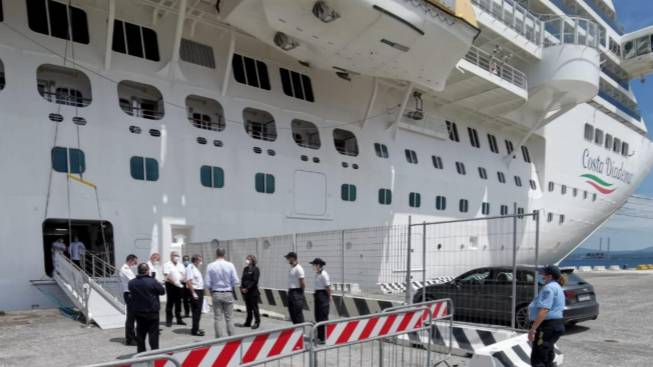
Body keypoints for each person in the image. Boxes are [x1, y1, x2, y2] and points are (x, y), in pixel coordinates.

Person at [528, 265, 566, 367]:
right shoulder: (557, 286)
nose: (541, 275)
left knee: (538, 358)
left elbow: (544, 309)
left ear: (549, 276)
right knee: (547, 355)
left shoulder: (548, 288)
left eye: (543, 274)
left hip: (546, 326)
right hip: (555, 325)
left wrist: (533, 329)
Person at [128, 263, 165, 353]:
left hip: (139, 312)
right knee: (153, 334)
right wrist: (157, 282)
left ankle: (141, 354)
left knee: (140, 334)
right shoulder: (152, 281)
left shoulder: (131, 283)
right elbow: (162, 291)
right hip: (152, 312)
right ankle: (154, 353)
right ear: (147, 271)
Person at [205, 247, 239, 338]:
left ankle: (219, 340)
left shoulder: (210, 265)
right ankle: (232, 338)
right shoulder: (230, 265)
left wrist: (212, 290)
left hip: (216, 293)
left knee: (218, 318)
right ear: (224, 254)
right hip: (228, 292)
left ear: (216, 254)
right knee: (229, 318)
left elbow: (207, 283)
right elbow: (236, 280)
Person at [235, 255, 260, 329]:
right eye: (247, 259)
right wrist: (242, 288)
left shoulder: (256, 269)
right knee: (248, 308)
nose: (247, 260)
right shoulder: (245, 269)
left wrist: (248, 288)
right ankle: (248, 322)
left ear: (252, 260)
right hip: (246, 292)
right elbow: (243, 279)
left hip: (253, 292)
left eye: (249, 259)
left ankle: (257, 322)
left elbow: (255, 281)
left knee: (254, 308)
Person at [310, 258, 331, 343]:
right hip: (318, 295)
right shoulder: (317, 274)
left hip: (323, 295)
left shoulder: (324, 274)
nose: (313, 266)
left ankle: (323, 338)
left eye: (314, 265)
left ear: (318, 265)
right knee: (317, 316)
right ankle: (319, 336)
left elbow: (328, 287)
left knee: (323, 316)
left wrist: (329, 297)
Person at [163, 251, 187, 327]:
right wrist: (174, 282)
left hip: (179, 285)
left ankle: (179, 319)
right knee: (170, 302)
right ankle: (169, 320)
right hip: (170, 285)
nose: (176, 257)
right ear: (171, 256)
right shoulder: (167, 265)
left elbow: (183, 274)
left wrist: (181, 280)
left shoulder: (181, 265)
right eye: (174, 255)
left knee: (179, 303)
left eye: (177, 255)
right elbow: (167, 276)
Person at [119, 254, 139, 346]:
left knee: (133, 317)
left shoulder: (127, 268)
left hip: (131, 294)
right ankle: (130, 339)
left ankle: (133, 337)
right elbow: (134, 281)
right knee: (131, 318)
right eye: (135, 261)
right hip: (129, 294)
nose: (136, 263)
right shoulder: (125, 269)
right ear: (130, 260)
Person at [185, 254, 205, 336]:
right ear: (196, 260)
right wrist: (193, 293)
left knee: (198, 311)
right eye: (200, 260)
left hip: (199, 291)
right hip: (196, 291)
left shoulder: (195, 268)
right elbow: (189, 281)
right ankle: (195, 330)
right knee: (196, 311)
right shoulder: (190, 267)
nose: (201, 262)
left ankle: (195, 327)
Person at [284, 252, 305, 324]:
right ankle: (296, 331)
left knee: (298, 313)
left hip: (296, 292)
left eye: (288, 258)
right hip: (291, 292)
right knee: (292, 312)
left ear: (293, 258)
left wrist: (300, 293)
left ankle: (301, 332)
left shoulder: (299, 268)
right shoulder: (292, 268)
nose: (287, 260)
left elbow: (302, 283)